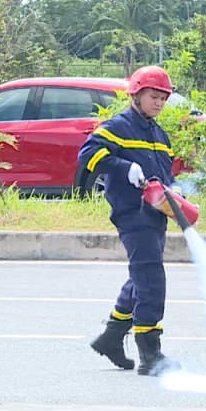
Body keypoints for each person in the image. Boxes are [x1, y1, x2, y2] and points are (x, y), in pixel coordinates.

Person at [77, 65, 182, 377]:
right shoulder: (118, 126)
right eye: (154, 96)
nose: (159, 103)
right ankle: (151, 354)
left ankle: (111, 338)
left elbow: (164, 173)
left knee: (140, 277)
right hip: (132, 215)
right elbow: (87, 155)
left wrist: (173, 189)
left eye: (163, 98)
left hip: (155, 215)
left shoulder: (160, 135)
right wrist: (124, 167)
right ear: (136, 95)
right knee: (151, 279)